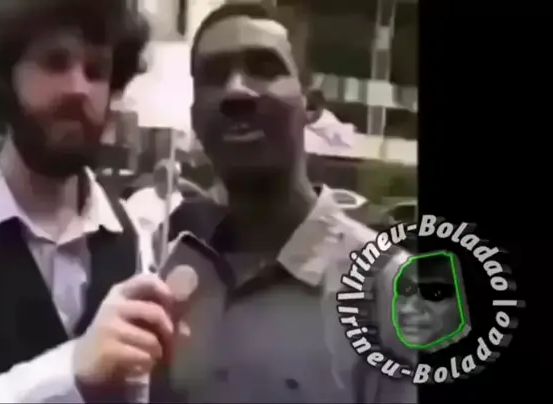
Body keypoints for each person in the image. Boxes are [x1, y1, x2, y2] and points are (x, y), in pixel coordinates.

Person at [156, 3, 417, 402]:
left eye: (264, 67)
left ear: (311, 105)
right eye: (214, 75)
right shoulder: (175, 277)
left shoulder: (390, 290)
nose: (236, 90)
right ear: (194, 117)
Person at [0, 1, 180, 401]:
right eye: (54, 62)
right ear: (7, 77)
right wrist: (71, 369)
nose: (79, 88)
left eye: (96, 70)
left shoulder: (131, 238)